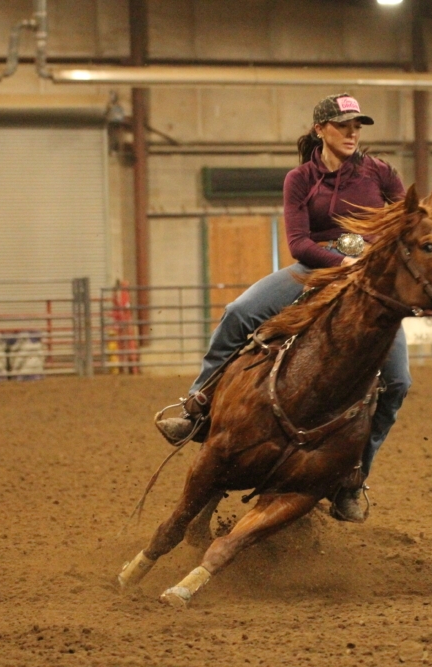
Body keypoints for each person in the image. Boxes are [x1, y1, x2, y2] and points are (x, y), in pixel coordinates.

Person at [157, 93, 412, 523]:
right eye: (343, 125)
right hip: (314, 267)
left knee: (399, 381)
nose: (352, 133)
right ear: (320, 130)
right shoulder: (300, 179)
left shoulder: (379, 172)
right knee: (240, 312)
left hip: (367, 277)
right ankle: (198, 404)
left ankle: (353, 479)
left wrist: (375, 255)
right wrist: (340, 262)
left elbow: (406, 219)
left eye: (356, 126)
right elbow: (298, 244)